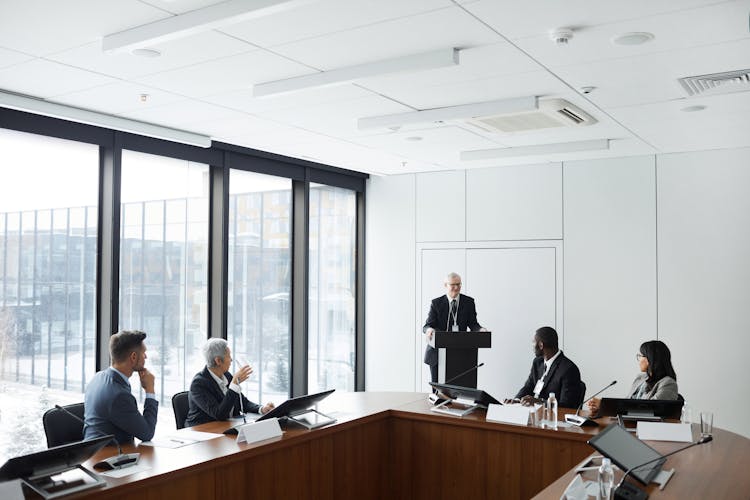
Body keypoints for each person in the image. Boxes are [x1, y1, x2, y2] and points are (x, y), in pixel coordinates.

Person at [83, 330, 158, 444]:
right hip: (109, 455)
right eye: (143, 353)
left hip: (95, 452)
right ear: (133, 357)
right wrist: (150, 390)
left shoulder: (98, 377)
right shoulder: (119, 395)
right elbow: (147, 433)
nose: (146, 357)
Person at [185, 338, 274, 427]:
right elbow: (219, 414)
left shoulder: (227, 375)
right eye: (228, 356)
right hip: (203, 431)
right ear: (218, 361)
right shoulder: (198, 384)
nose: (231, 360)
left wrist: (262, 409)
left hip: (226, 426)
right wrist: (234, 385)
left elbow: (243, 403)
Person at [422, 272, 486, 383]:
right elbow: (427, 325)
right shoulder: (436, 303)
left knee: (458, 390)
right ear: (445, 285)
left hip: (460, 354)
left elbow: (473, 324)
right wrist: (429, 330)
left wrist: (481, 330)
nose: (456, 288)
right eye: (453, 285)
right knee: (438, 392)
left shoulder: (469, 302)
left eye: (459, 284)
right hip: (437, 355)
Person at [587, 340, 678, 415]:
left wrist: (605, 405)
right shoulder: (640, 378)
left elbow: (651, 411)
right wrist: (601, 409)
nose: (638, 360)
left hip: (649, 430)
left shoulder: (668, 383)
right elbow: (626, 403)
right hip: (628, 424)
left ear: (650, 359)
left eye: (640, 356)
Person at [511, 326, 583, 408]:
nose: (532, 346)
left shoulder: (569, 369)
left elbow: (567, 406)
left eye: (533, 342)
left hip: (553, 418)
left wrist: (539, 402)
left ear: (541, 345)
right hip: (534, 413)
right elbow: (529, 386)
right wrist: (517, 400)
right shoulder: (538, 362)